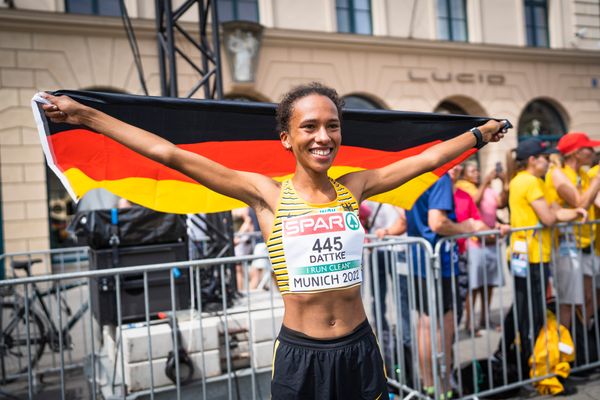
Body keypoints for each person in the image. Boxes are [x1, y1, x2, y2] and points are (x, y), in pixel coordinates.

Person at [40, 83, 507, 399]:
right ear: (286, 138)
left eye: (332, 126)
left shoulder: (356, 186)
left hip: (361, 349)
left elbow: (426, 160)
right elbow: (170, 154)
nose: (323, 137)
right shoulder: (266, 194)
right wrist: (86, 117)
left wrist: (477, 135)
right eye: (309, 127)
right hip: (302, 357)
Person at [498, 138, 586, 378]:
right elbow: (548, 218)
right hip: (532, 256)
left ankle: (504, 353)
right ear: (532, 160)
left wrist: (575, 213)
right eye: (544, 158)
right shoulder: (531, 182)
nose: (548, 162)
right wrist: (570, 215)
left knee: (521, 308)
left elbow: (554, 213)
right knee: (531, 314)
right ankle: (532, 367)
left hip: (523, 254)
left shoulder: (518, 180)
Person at [545, 132, 600, 330]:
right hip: (566, 246)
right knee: (568, 302)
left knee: (589, 296)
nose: (593, 151)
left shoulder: (584, 175)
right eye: (589, 148)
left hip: (586, 244)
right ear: (575, 153)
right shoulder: (558, 173)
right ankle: (565, 349)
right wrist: (597, 180)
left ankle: (583, 344)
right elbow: (580, 203)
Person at [457, 161, 508, 333]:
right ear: (464, 173)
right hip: (475, 243)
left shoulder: (487, 189)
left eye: (478, 170)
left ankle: (485, 319)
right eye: (473, 170)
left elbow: (500, 203)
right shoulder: (463, 188)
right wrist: (486, 181)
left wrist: (504, 182)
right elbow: (473, 202)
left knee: (489, 284)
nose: (477, 173)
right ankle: (470, 323)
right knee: (475, 285)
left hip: (491, 241)